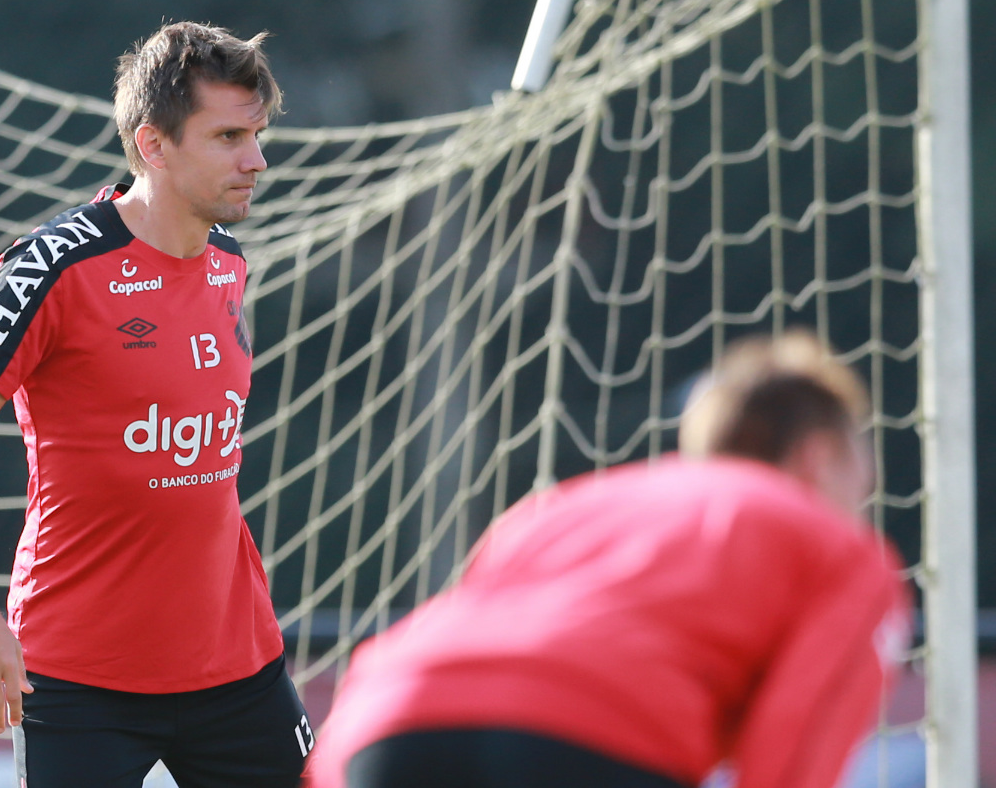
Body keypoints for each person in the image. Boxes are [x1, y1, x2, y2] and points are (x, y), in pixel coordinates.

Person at [0, 22, 313, 788]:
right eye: (228, 137)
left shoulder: (230, 264)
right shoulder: (52, 267)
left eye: (256, 134)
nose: (256, 159)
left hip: (237, 667)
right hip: (77, 680)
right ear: (153, 145)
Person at [305, 330, 910, 788]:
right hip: (591, 739)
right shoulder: (843, 553)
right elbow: (795, 747)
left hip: (385, 721)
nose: (868, 492)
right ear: (819, 455)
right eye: (865, 466)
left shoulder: (562, 506)